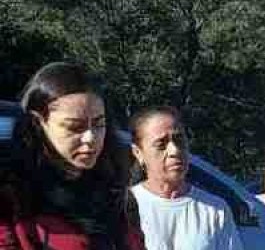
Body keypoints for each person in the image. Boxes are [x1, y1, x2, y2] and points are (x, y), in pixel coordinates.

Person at [0, 62, 146, 250]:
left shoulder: (117, 196)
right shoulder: (11, 201)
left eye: (99, 124)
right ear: (38, 124)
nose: (91, 138)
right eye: (74, 127)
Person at [129, 107, 243, 250]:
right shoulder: (121, 209)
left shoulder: (215, 210)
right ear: (138, 153)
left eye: (179, 140)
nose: (174, 151)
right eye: (161, 144)